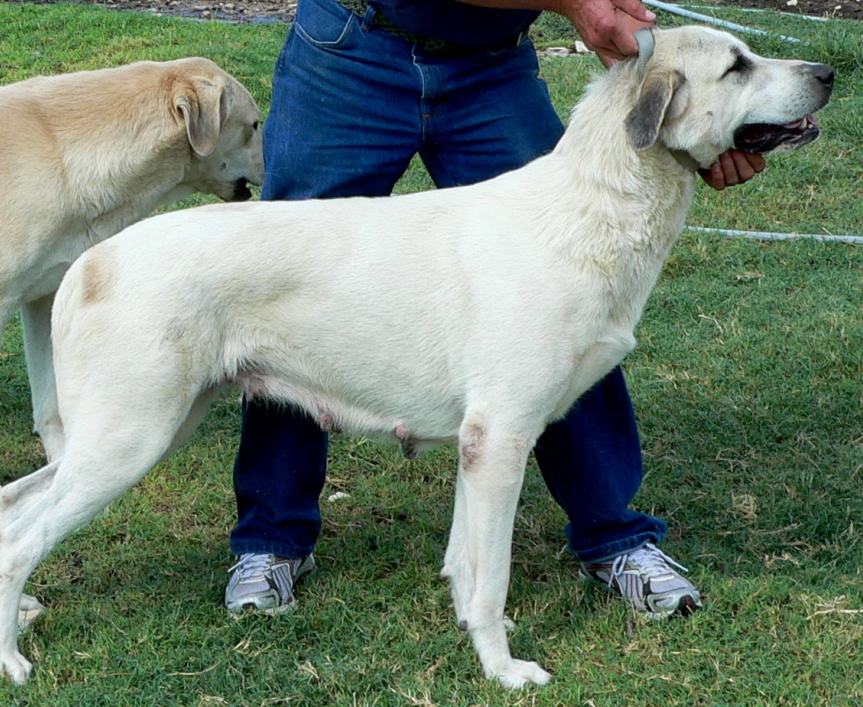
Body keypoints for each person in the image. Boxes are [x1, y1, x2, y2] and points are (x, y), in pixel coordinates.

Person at [224, 0, 766, 618]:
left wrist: (709, 127)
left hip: (492, 63)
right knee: (278, 285)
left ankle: (615, 536)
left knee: (570, 287)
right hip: (350, 49)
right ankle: (271, 540)